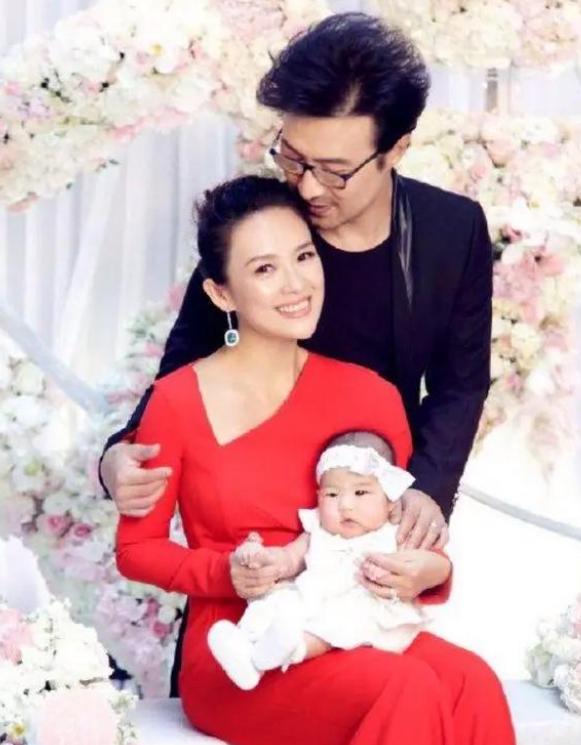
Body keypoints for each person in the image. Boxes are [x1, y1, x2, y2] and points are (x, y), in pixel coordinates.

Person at [104, 13, 493, 694]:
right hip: (253, 538)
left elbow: (460, 383)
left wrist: (427, 494)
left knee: (455, 688)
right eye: (292, 157)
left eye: (335, 170)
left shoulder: (449, 231)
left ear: (397, 148)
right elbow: (186, 368)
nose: (307, 187)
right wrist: (119, 453)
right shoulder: (267, 227)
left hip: (356, 525)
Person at [116, 175, 515, 745]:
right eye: (264, 268)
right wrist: (225, 572)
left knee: (471, 682)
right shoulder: (177, 400)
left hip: (353, 624)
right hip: (242, 647)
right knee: (403, 686)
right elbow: (136, 550)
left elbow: (401, 534)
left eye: (304, 256)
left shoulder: (371, 395)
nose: (296, 283)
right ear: (221, 294)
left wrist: (433, 572)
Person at [207, 430, 431, 692]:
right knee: (276, 601)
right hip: (311, 596)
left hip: (363, 604)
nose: (345, 505)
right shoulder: (318, 530)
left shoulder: (394, 534)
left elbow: (413, 569)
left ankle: (292, 649)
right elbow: (290, 558)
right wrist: (265, 558)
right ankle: (246, 649)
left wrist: (385, 572)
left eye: (360, 492)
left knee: (339, 619)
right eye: (332, 495)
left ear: (391, 501)